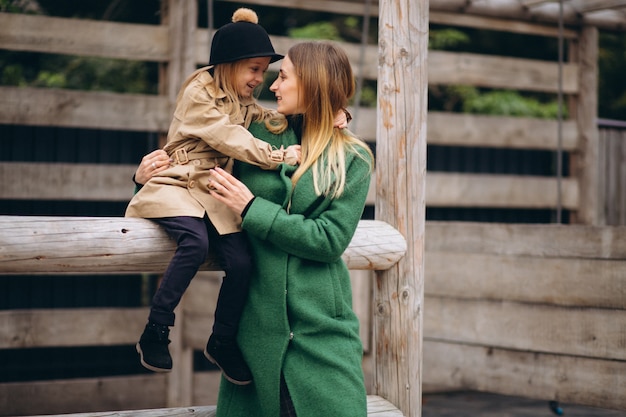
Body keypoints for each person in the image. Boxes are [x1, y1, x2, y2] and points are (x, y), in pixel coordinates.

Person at [125, 8, 301, 385]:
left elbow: (271, 120)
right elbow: (230, 137)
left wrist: (325, 112)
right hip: (177, 183)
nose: (259, 78)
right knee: (194, 242)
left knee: (240, 261)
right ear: (229, 64)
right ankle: (156, 329)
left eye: (263, 71)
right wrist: (279, 156)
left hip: (212, 190)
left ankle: (222, 340)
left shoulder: (242, 99)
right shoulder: (199, 93)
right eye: (253, 69)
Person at [206, 41, 374, 417]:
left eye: (283, 77)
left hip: (323, 336)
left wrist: (252, 209)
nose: (273, 86)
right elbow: (197, 174)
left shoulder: (353, 158)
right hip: (254, 338)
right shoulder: (256, 135)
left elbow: (329, 239)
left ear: (312, 84)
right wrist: (144, 179)